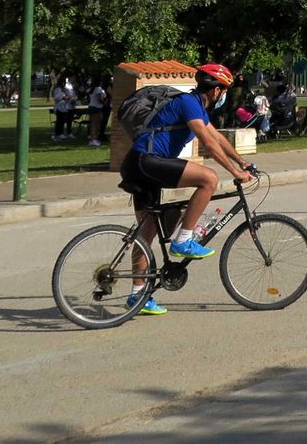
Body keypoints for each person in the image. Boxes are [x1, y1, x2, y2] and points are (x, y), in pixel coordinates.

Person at [118, 62, 254, 316]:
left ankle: (137, 296)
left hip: (140, 165)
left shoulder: (197, 108)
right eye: (223, 90)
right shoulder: (189, 103)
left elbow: (218, 138)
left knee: (148, 232)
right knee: (209, 179)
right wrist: (234, 172)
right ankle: (184, 241)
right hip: (145, 162)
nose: (222, 95)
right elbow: (208, 144)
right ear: (216, 91)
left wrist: (242, 161)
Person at [86, 81, 110, 146]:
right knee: (95, 124)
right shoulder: (98, 89)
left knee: (96, 123)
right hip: (96, 107)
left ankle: (94, 138)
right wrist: (104, 103)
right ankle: (93, 139)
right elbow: (99, 99)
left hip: (92, 106)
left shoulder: (91, 88)